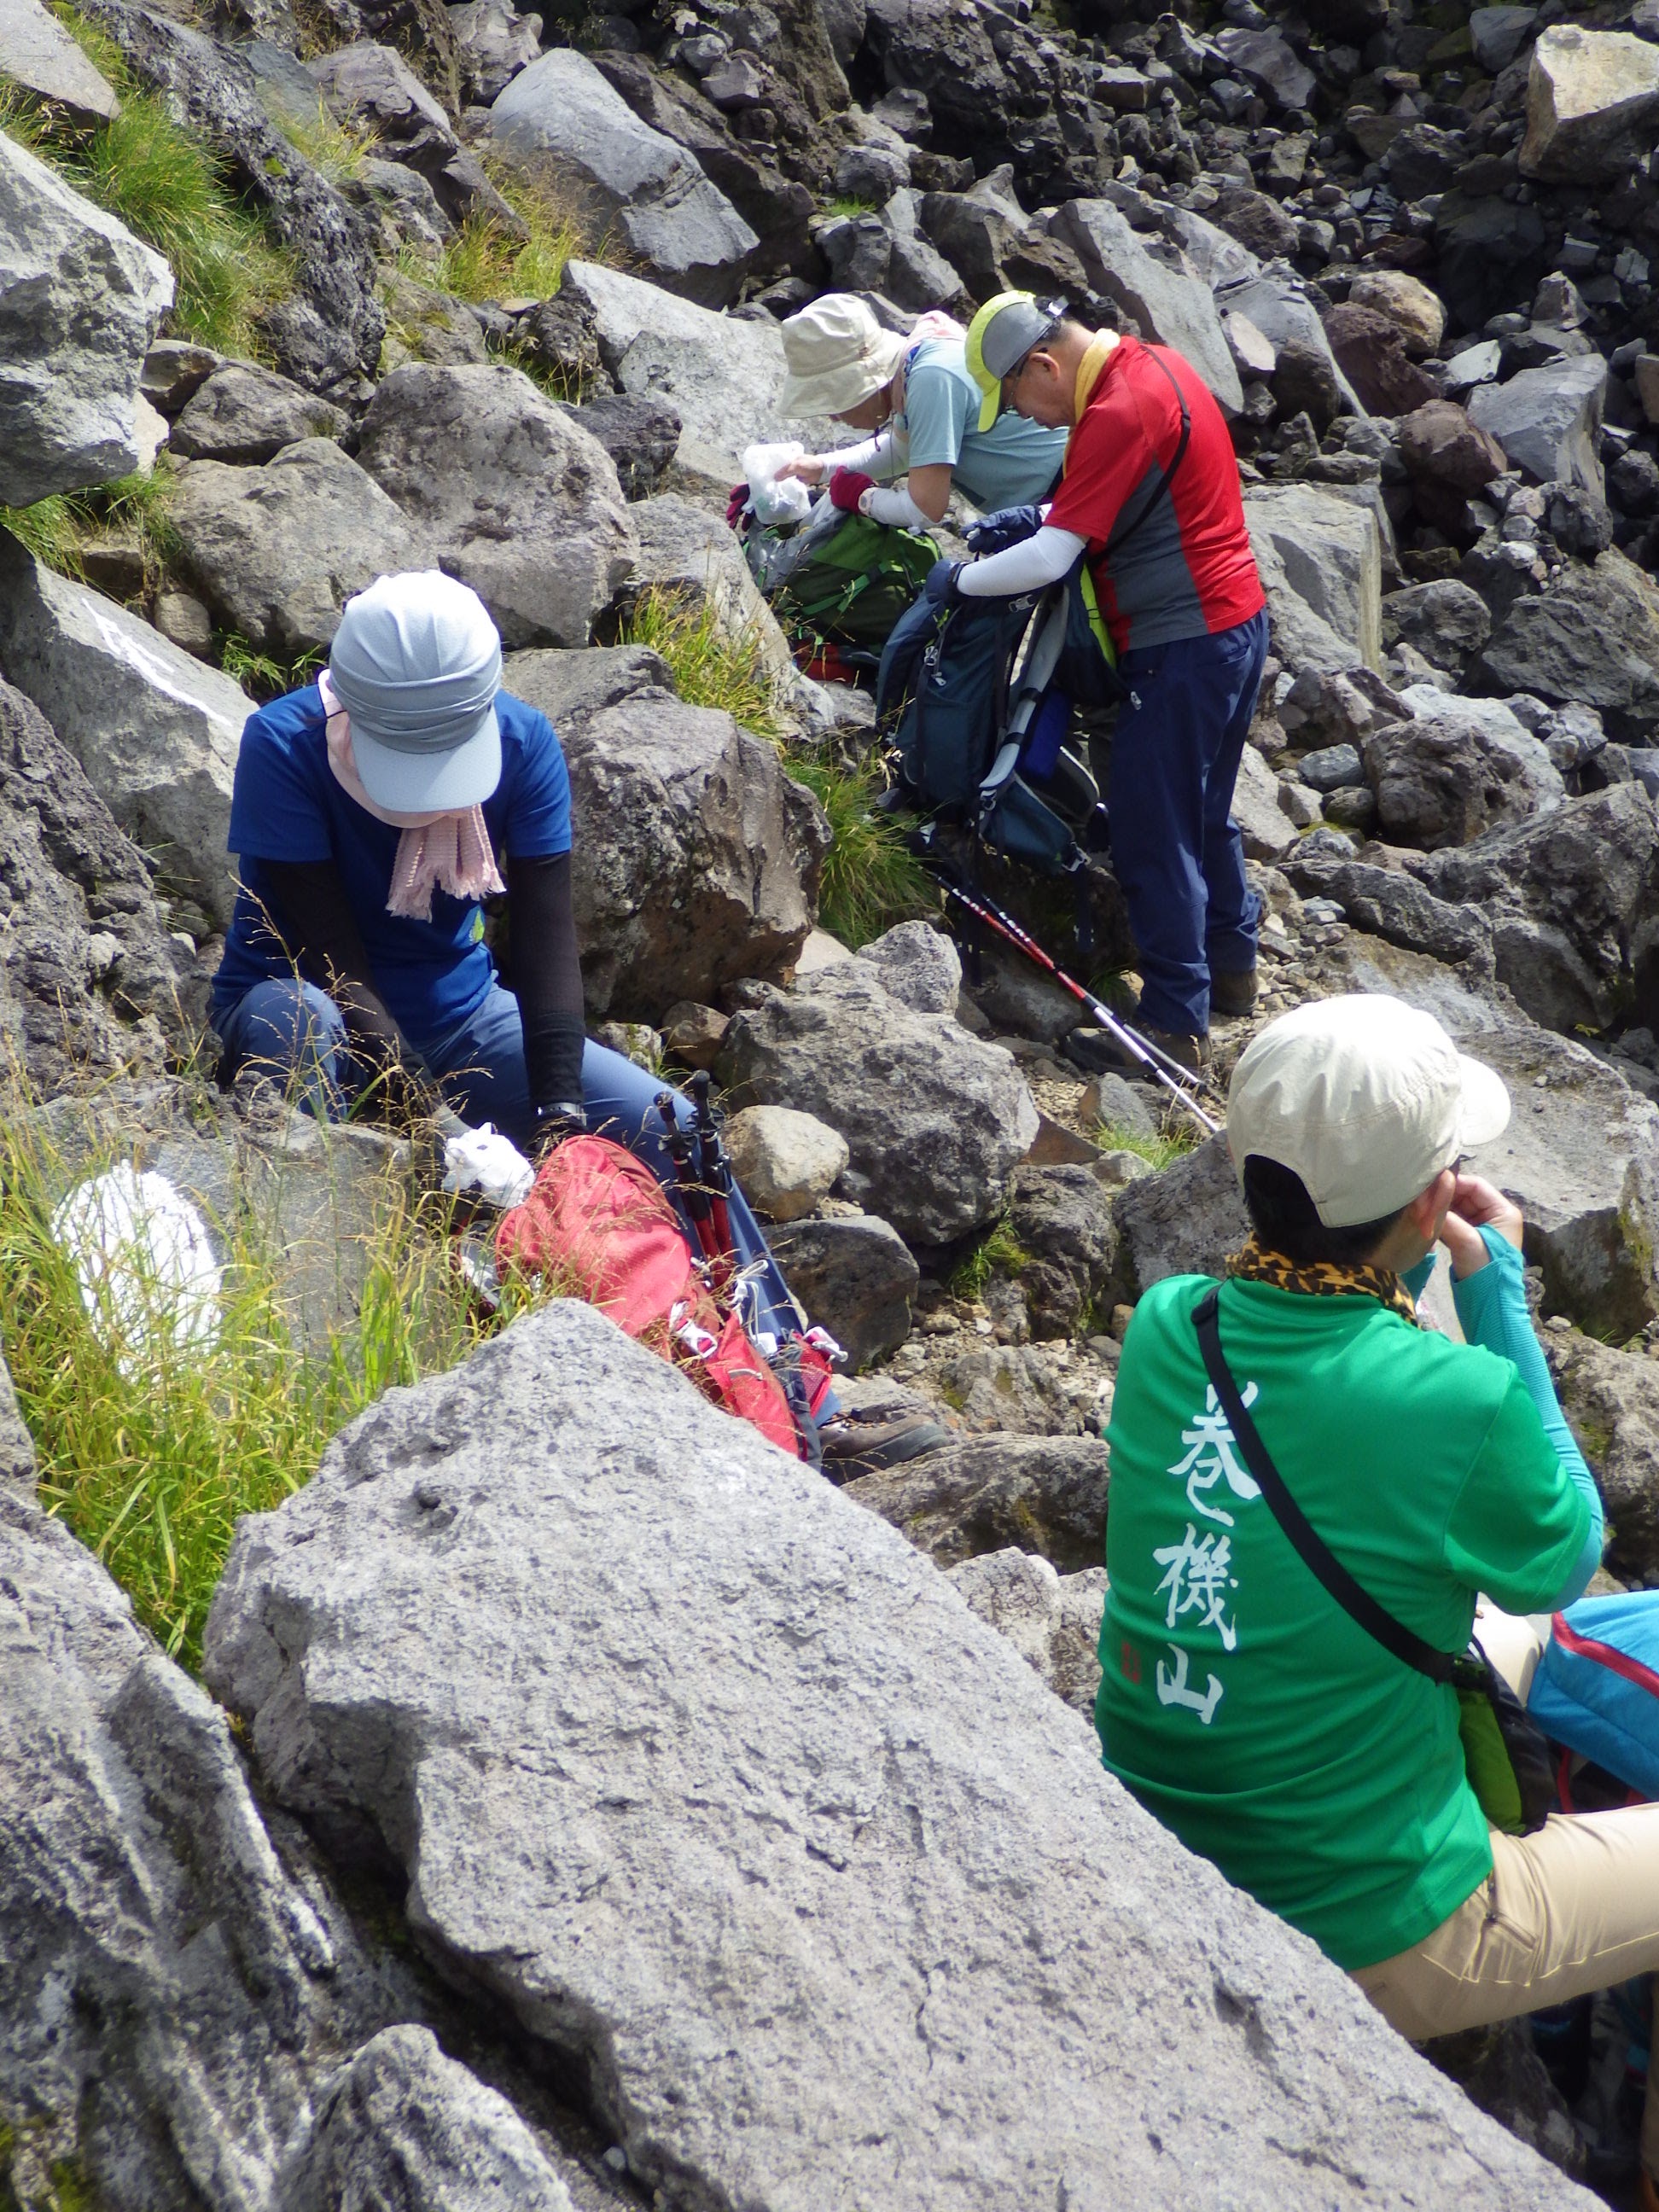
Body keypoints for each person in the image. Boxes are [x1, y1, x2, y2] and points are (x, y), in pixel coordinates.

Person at [1093, 992, 1659, 2197]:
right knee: (1560, 1636)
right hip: (1380, 1925)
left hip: (1157, 1838)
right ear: (1428, 1201)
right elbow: (1566, 1552)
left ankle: (1569, 2036)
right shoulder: (1454, 1397)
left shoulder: (1171, 1325)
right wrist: (1497, 1294)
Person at [210, 569, 944, 1473]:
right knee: (295, 1021)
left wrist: (562, 1124)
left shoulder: (521, 742)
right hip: (311, 1005)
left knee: (669, 1125)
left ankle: (791, 1386)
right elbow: (332, 960)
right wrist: (433, 1122)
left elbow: (546, 944)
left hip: (462, 1018)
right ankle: (292, 1354)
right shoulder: (284, 744)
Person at [941, 291, 1269, 1071]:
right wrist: (1046, 514)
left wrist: (957, 581)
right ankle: (1233, 969)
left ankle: (1173, 1026)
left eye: (1016, 399)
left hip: (1181, 644)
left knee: (1152, 829)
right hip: (1238, 625)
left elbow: (1052, 558)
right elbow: (1121, 498)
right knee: (1204, 812)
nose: (1028, 418)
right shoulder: (1161, 365)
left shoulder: (1117, 411)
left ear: (1043, 366)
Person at [771, 292, 1068, 529]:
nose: (834, 416)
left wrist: (862, 497)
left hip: (1065, 488)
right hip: (1048, 495)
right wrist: (820, 468)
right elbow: (904, 452)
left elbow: (925, 509)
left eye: (834, 401)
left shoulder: (931, 378)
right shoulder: (915, 364)